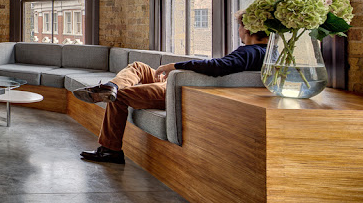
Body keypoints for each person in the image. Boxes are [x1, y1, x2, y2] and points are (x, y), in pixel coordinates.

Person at [73, 11, 269, 164]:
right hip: (175, 84)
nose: (238, 31)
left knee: (121, 97)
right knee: (139, 67)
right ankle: (110, 86)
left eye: (239, 27)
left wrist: (174, 66)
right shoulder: (260, 52)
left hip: (179, 90)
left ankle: (110, 150)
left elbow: (218, 67)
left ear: (248, 29)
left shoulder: (251, 52)